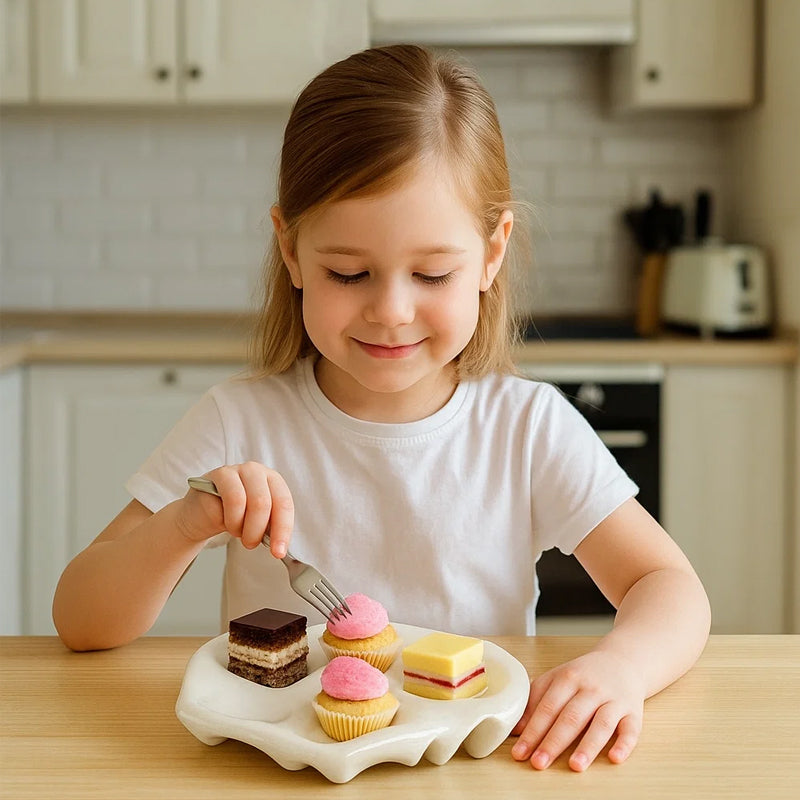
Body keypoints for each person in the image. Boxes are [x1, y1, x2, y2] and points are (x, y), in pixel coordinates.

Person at [53, 44, 711, 772]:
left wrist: (621, 668)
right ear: (292, 251)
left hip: (476, 771)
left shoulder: (526, 428)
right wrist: (185, 522)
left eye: (432, 273)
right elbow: (81, 620)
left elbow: (670, 588)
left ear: (492, 254)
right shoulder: (239, 421)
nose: (391, 311)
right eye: (349, 272)